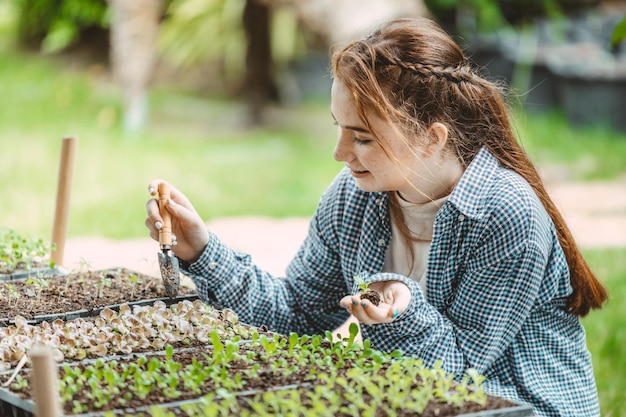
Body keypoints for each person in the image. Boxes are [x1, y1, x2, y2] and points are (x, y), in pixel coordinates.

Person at [145, 17, 607, 417]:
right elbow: (297, 317)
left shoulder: (505, 213)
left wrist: (402, 309)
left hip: (522, 406)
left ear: (432, 137)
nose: (339, 153)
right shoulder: (355, 196)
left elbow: (459, 377)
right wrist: (201, 251)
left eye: (362, 138)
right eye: (338, 128)